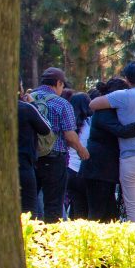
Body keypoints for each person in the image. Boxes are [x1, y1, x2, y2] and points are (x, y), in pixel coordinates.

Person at [90, 62, 135, 225]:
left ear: (127, 79)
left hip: (132, 158)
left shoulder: (123, 96)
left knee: (134, 211)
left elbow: (93, 104)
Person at [76, 78, 135, 222]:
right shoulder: (104, 112)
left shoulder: (110, 111)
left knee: (110, 214)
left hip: (104, 170)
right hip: (98, 170)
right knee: (98, 213)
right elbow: (120, 130)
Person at [30, 67, 89, 222]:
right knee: (53, 204)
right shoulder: (61, 103)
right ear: (58, 83)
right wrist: (81, 150)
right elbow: (69, 135)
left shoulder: (28, 99)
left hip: (30, 158)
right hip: (54, 159)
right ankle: (51, 241)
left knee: (30, 203)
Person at [17, 82, 55, 216]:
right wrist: (33, 104)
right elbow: (45, 128)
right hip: (23, 165)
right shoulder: (26, 108)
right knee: (28, 210)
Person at [65, 93, 93, 219]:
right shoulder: (89, 125)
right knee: (84, 208)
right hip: (83, 170)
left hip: (69, 169)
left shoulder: (69, 126)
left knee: (75, 205)